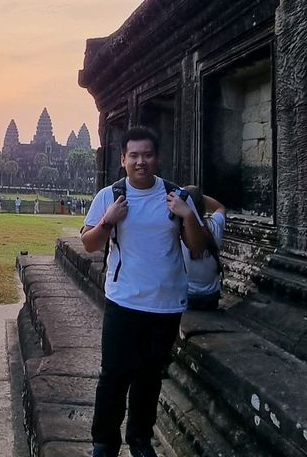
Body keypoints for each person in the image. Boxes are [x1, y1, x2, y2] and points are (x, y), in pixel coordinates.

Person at [81, 126, 208, 457]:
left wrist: (186, 216)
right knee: (113, 376)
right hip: (123, 301)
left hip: (165, 305)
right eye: (133, 155)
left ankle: (139, 439)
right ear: (123, 159)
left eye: (147, 155)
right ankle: (104, 442)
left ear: (158, 158)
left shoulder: (175, 196)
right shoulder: (110, 196)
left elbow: (197, 249)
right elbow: (89, 244)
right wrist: (108, 221)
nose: (141, 162)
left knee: (149, 379)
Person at [182, 186, 226, 311]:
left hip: (185, 296)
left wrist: (185, 196)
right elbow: (220, 207)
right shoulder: (214, 225)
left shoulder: (177, 231)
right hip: (210, 296)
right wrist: (198, 197)